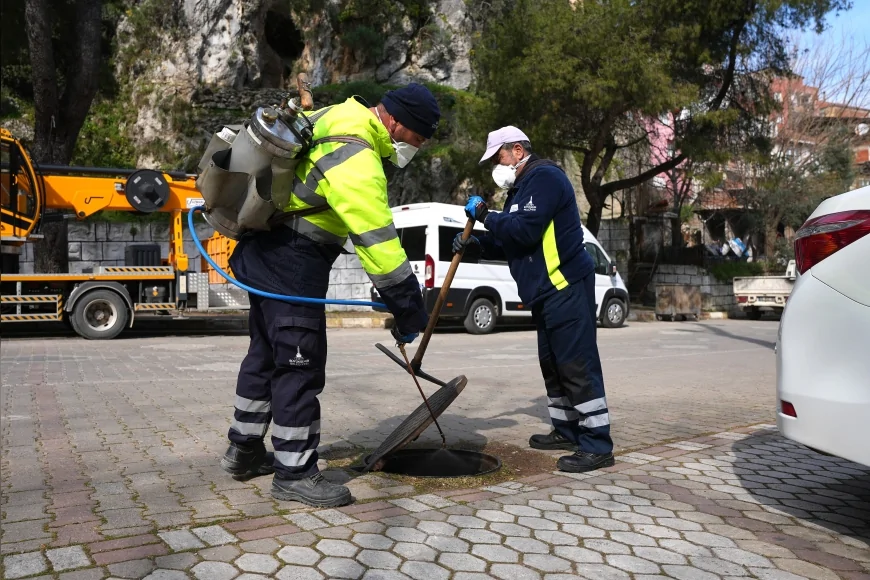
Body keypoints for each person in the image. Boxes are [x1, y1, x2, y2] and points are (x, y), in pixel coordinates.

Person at [220, 84, 441, 506]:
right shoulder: (357, 152)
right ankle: (295, 473)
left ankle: (244, 450)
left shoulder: (333, 115)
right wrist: (410, 308)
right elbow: (376, 240)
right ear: (395, 121)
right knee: (299, 365)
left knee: (265, 355)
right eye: (418, 137)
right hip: (292, 262)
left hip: (264, 249)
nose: (417, 147)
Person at [455, 126, 615, 473]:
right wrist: (476, 246)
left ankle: (597, 443)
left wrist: (486, 217)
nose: (496, 165)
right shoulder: (519, 190)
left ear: (517, 150)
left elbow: (524, 230)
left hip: (566, 285)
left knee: (575, 362)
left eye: (498, 156)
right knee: (553, 363)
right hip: (545, 293)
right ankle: (566, 429)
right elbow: (513, 242)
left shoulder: (545, 178)